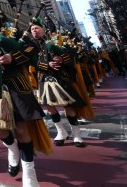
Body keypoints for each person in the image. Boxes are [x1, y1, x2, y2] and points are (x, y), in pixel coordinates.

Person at [0, 0, 47, 187]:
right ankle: (12, 149)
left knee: (22, 128)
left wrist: (12, 56)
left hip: (17, 84)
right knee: (0, 129)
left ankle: (29, 173)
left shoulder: (11, 32)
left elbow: (33, 48)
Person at [33, 20, 87, 148]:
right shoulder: (30, 46)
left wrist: (61, 59)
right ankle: (61, 132)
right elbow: (31, 62)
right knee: (50, 107)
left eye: (36, 28)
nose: (34, 31)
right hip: (43, 78)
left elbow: (71, 54)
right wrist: (47, 64)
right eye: (32, 29)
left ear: (43, 30)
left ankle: (76, 134)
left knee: (68, 105)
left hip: (60, 77)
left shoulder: (55, 41)